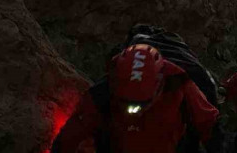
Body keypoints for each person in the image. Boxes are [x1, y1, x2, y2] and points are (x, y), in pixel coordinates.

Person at [51, 44, 218, 153]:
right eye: (126, 102)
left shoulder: (179, 85)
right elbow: (71, 135)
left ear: (159, 84)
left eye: (140, 104)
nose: (133, 111)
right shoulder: (102, 93)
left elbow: (209, 125)